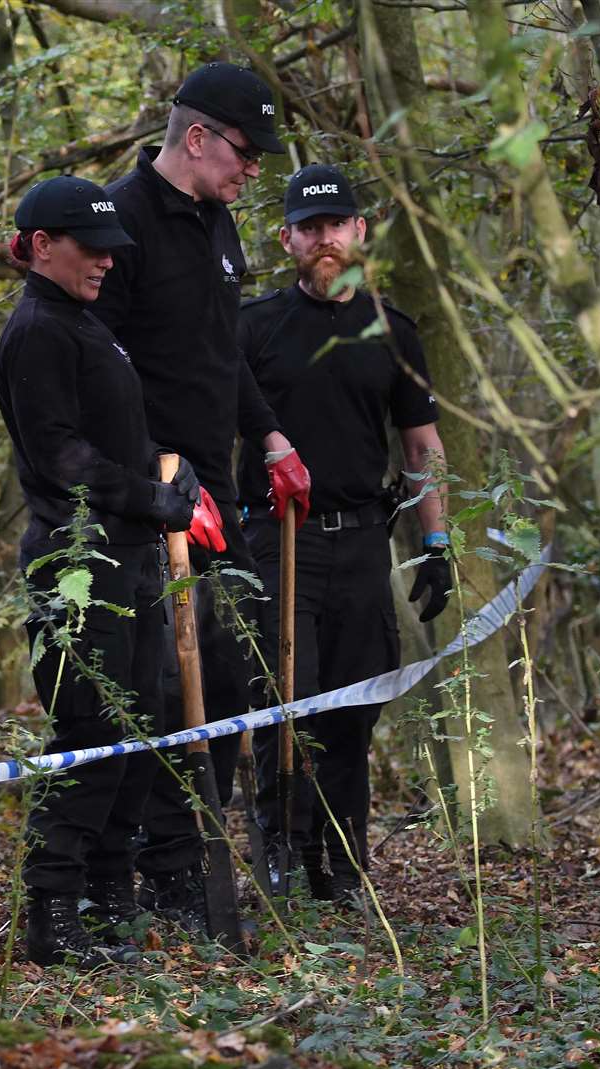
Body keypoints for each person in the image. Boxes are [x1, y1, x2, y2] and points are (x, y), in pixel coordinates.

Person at [88, 62, 313, 929]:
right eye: (246, 152)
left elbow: (223, 356)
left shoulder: (220, 226)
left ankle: (196, 849)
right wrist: (153, 469)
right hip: (146, 490)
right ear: (198, 138)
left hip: (218, 481)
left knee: (232, 667)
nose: (254, 170)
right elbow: (92, 362)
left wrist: (271, 435)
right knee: (152, 679)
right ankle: (163, 870)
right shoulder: (118, 221)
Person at [0, 175, 226, 966]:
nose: (104, 263)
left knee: (145, 724)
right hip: (76, 564)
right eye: (89, 249)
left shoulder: (87, 325)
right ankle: (52, 915)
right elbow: (60, 455)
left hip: (127, 560)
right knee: (92, 732)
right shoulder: (37, 331)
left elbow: (115, 430)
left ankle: (109, 899)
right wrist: (152, 500)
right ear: (41, 245)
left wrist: (171, 485)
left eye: (111, 250)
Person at [239, 164, 449, 901]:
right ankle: (282, 857)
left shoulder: (393, 331)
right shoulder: (253, 328)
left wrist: (437, 545)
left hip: (363, 541)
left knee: (355, 708)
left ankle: (343, 861)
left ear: (360, 232)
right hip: (275, 539)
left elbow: (422, 447)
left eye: (336, 225)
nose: (324, 239)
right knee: (284, 702)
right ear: (288, 237)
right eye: (309, 227)